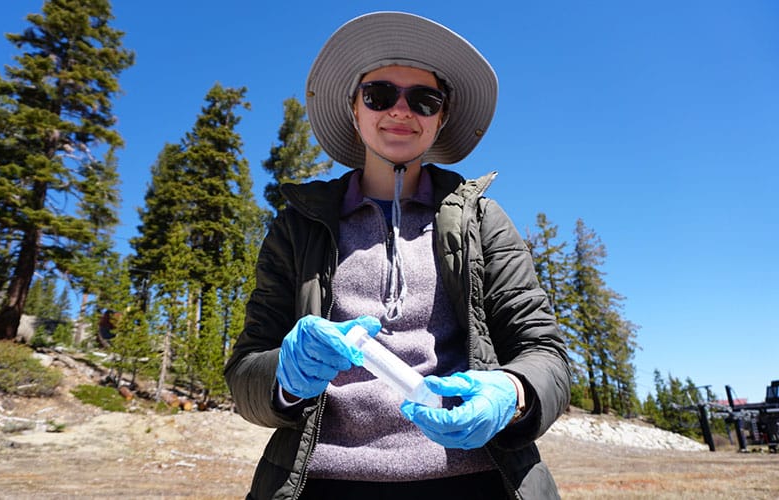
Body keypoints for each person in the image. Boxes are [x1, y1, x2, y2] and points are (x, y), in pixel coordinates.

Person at [225, 11, 570, 500]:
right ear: (354, 108)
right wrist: (284, 374)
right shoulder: (297, 227)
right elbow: (245, 371)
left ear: (442, 117)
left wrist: (511, 392)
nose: (401, 111)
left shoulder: (483, 220)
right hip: (322, 482)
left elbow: (544, 352)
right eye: (380, 95)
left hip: (478, 479)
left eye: (424, 100)